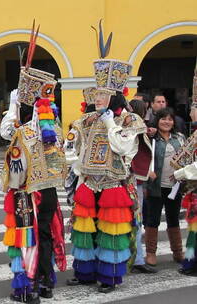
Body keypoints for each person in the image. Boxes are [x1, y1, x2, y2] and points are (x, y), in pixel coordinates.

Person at [65, 28, 147, 293]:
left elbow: (123, 146)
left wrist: (110, 121)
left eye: (102, 95)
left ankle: (109, 277)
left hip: (113, 182)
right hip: (88, 181)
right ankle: (85, 272)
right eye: (96, 94)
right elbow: (72, 144)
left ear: (114, 95)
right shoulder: (87, 120)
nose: (97, 98)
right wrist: (76, 164)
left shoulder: (129, 120)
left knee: (112, 232)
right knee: (85, 231)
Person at [0, 45, 67, 303]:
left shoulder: (23, 133)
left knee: (27, 239)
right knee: (46, 236)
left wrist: (11, 106)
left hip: (27, 196)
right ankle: (46, 282)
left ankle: (28, 288)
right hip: (49, 192)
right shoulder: (55, 131)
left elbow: (14, 167)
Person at [145, 108, 185, 266]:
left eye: (170, 119)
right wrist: (148, 171)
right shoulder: (151, 138)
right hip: (156, 186)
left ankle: (177, 251)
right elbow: (142, 156)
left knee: (173, 218)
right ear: (158, 120)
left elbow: (186, 158)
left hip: (175, 186)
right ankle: (150, 253)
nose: (167, 122)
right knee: (153, 219)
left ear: (174, 122)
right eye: (163, 119)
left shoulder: (179, 138)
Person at [127, 99, 157, 274]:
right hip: (132, 180)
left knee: (131, 221)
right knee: (134, 220)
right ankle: (135, 258)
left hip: (130, 180)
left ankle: (133, 258)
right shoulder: (136, 129)